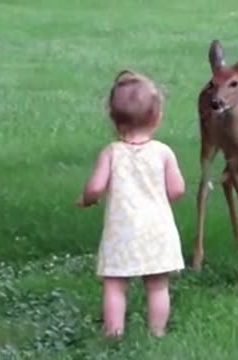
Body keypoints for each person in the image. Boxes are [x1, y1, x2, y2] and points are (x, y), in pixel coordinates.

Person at [75, 69, 186, 339]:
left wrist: (87, 199)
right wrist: (160, 198)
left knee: (114, 285)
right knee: (157, 286)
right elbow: (178, 189)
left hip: (121, 232)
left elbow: (95, 187)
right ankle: (156, 332)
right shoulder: (163, 153)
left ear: (113, 119)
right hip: (157, 231)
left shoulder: (112, 153)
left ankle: (114, 335)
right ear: (157, 116)